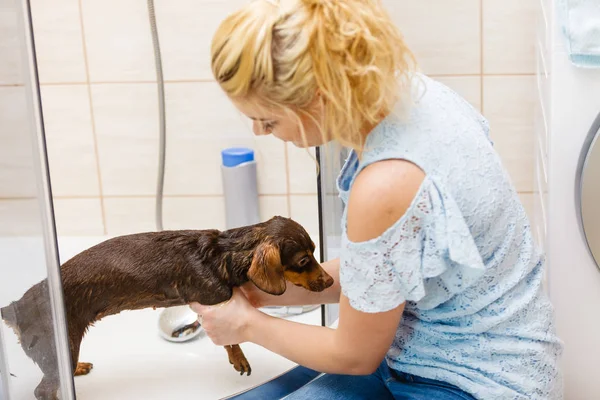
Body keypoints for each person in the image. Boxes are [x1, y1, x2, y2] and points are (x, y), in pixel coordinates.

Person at [190, 0, 563, 398]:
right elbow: (383, 267)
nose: (261, 132)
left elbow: (354, 355)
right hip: (430, 347)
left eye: (268, 120)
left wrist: (245, 325)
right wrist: (260, 293)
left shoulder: (386, 183)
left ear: (320, 97)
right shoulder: (412, 93)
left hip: (475, 381)